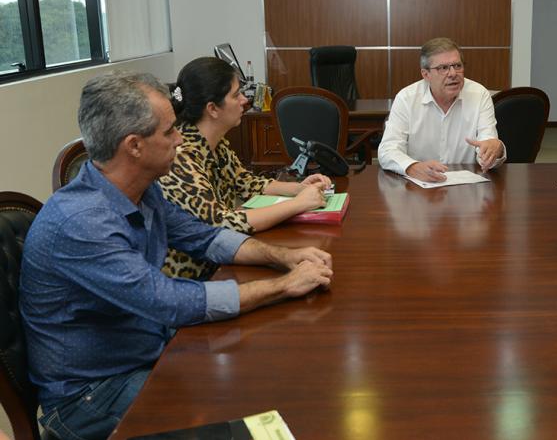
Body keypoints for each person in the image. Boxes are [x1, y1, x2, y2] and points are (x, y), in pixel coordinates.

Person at [20, 71, 334, 440]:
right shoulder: (81, 223)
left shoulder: (141, 189)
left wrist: (284, 257)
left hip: (146, 351)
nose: (180, 138)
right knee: (257, 414)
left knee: (270, 377)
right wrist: (284, 286)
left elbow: (205, 237)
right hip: (92, 396)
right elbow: (169, 302)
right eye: (169, 131)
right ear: (134, 146)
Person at [159, 57, 331, 280]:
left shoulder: (215, 143)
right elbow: (222, 222)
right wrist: (298, 204)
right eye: (236, 95)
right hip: (194, 278)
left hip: (222, 262)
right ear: (212, 108)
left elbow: (247, 183)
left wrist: (298, 188)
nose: (244, 100)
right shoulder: (180, 156)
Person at [378, 37, 506, 182]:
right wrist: (412, 167)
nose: (452, 73)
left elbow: (487, 145)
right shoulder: (406, 99)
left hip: (465, 189)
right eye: (443, 68)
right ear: (426, 74)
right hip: (419, 188)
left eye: (457, 66)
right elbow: (387, 150)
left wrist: (494, 150)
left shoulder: (479, 95)